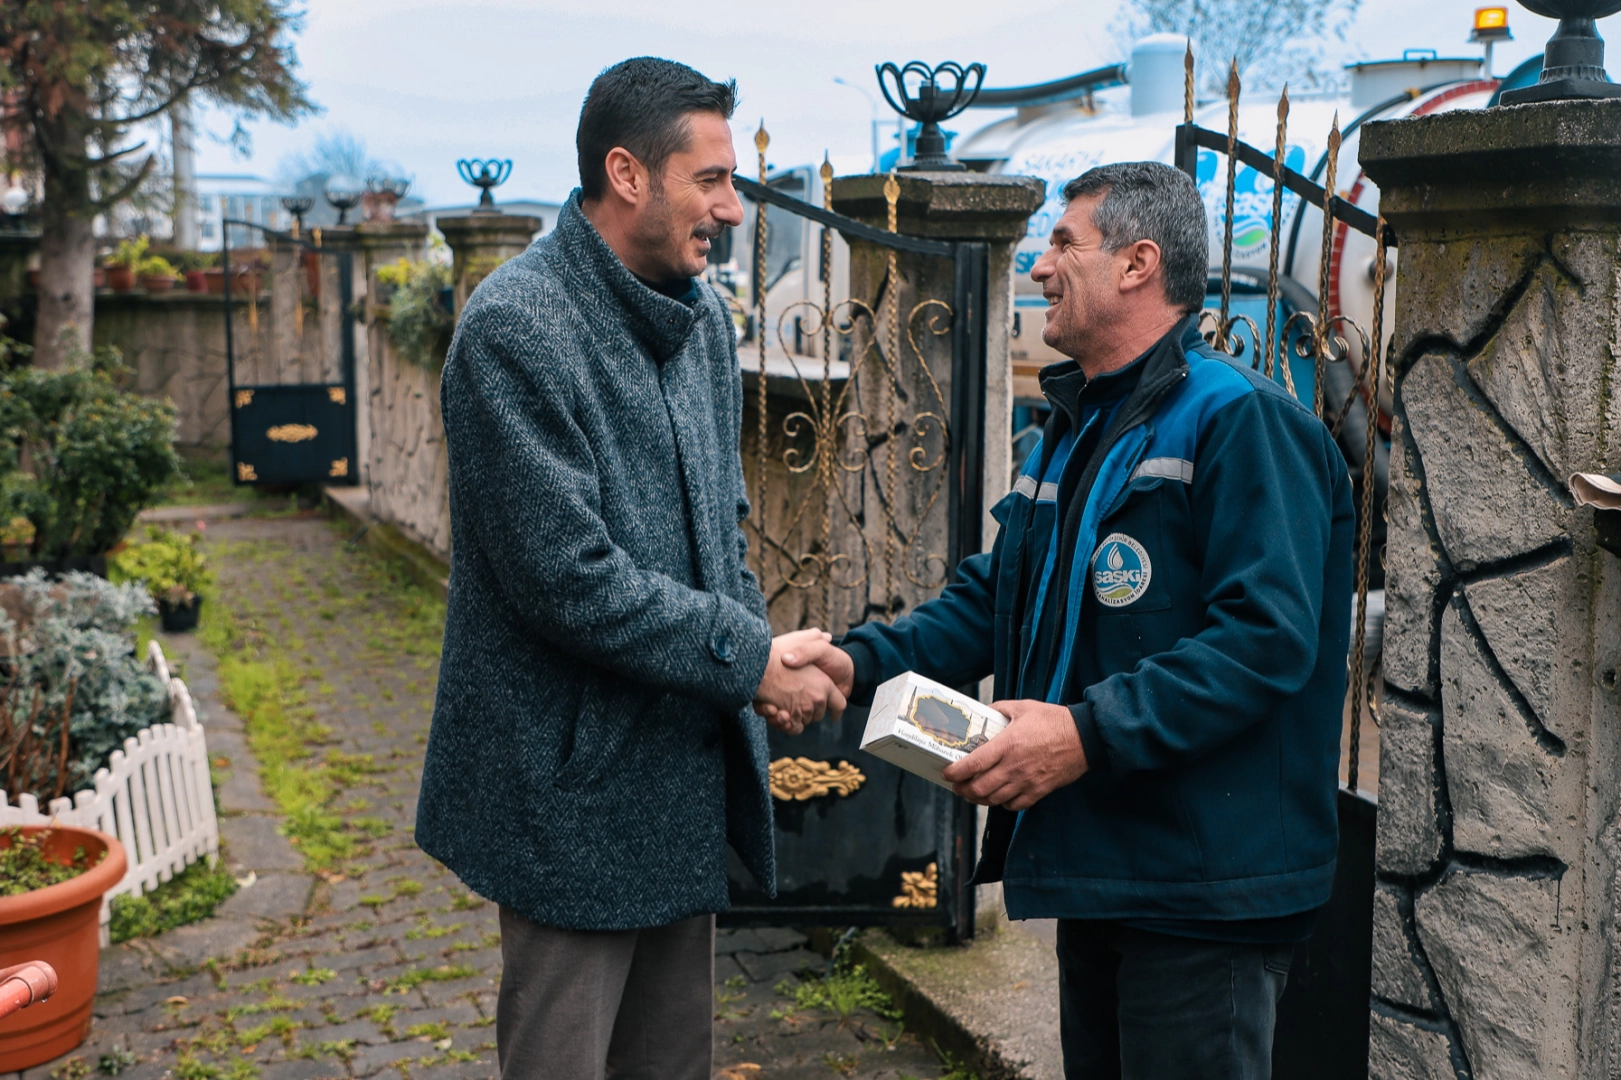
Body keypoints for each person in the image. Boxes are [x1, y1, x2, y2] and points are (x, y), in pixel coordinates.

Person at [782, 161, 1354, 1080]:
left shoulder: (1243, 421)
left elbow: (1263, 641)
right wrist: (850, 668)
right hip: (1109, 868)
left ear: (1136, 264)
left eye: (1060, 243)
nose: (1039, 268)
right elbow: (990, 600)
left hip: (1203, 890)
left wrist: (1086, 734)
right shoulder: (1079, 426)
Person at [416, 57, 844, 1080]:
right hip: (566, 796)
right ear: (628, 174)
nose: (734, 210)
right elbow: (567, 578)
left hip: (677, 772)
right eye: (712, 180)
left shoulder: (697, 321)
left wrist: (763, 661)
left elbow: (721, 534)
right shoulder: (514, 330)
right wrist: (748, 660)